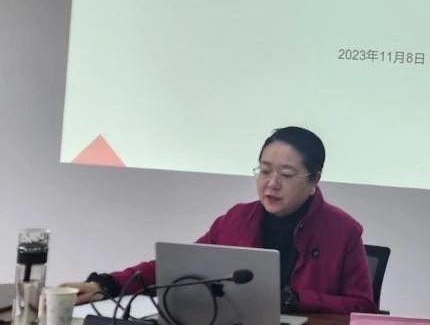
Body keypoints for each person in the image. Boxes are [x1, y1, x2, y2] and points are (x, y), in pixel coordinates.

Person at [63, 127, 376, 314]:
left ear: (314, 180)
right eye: (265, 171)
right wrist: (109, 284)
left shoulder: (343, 231)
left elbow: (362, 306)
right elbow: (177, 270)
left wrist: (297, 300)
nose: (271, 184)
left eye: (287, 174)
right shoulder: (237, 219)